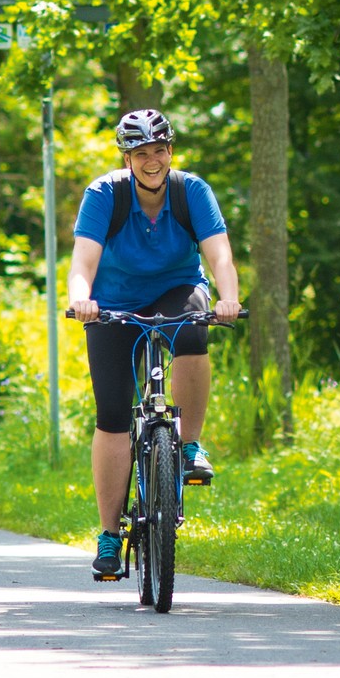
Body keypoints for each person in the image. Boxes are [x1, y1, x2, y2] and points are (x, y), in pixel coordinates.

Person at [67, 108, 242, 577]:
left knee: (192, 327)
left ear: (171, 152)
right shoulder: (104, 194)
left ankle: (188, 447)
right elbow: (83, 262)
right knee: (111, 413)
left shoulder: (192, 192)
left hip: (175, 289)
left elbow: (219, 253)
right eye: (141, 153)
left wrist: (229, 298)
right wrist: (80, 300)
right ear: (127, 157)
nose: (152, 161)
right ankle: (108, 535)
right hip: (112, 304)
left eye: (159, 151)